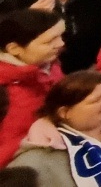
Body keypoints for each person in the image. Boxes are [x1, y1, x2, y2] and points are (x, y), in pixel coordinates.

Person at [0, 9, 66, 166]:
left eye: (60, 36)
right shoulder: (4, 89)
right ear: (14, 49)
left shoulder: (50, 65)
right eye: (49, 41)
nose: (61, 44)